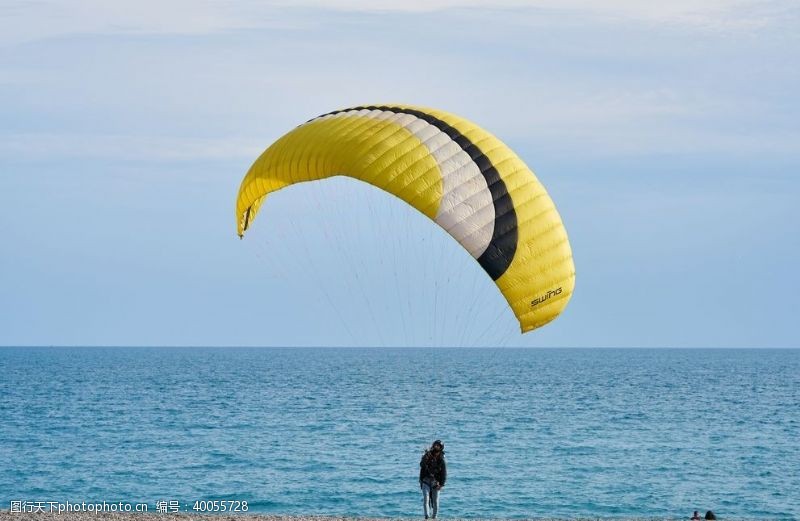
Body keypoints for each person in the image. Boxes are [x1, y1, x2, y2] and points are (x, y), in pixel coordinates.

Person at [419, 440, 447, 519]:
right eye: (435, 445)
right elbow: (421, 465)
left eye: (438, 446)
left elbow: (444, 473)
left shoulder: (441, 459)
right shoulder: (427, 454)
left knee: (435, 501)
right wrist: (425, 457)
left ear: (441, 448)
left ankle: (434, 517)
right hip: (426, 480)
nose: (436, 447)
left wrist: (441, 484)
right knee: (426, 499)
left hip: (436, 482)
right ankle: (427, 517)